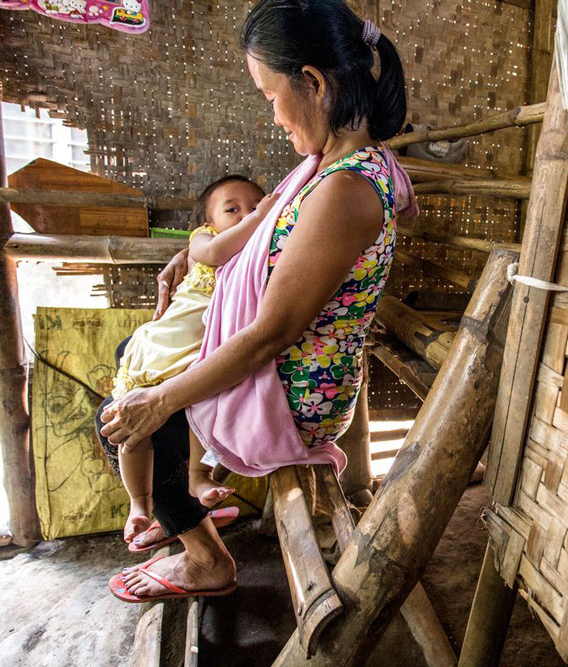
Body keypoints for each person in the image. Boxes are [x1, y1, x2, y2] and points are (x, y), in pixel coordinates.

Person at [100, 0, 416, 601]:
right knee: (131, 358)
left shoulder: (345, 189)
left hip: (293, 394)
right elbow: (259, 247)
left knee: (124, 420)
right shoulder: (330, 167)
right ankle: (187, 512)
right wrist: (193, 258)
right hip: (284, 368)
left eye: (270, 95)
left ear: (314, 83)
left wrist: (162, 398)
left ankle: (205, 561)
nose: (273, 116)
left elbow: (269, 333)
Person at [108, 175, 275, 544]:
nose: (248, 212)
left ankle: (198, 480)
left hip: (201, 354)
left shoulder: (262, 251)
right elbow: (215, 253)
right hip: (162, 347)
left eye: (256, 204)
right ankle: (140, 504)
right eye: (232, 209)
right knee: (131, 432)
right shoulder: (203, 242)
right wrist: (260, 217)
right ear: (207, 224)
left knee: (202, 410)